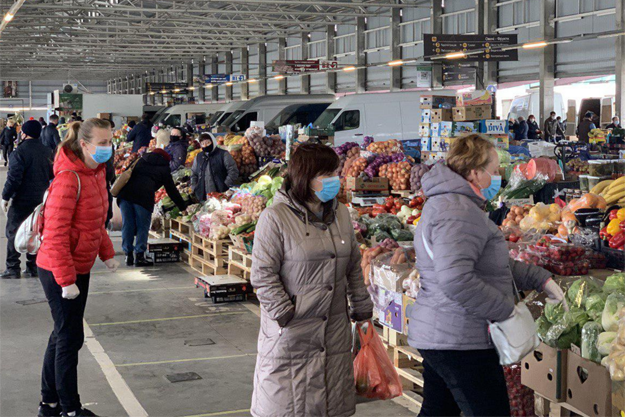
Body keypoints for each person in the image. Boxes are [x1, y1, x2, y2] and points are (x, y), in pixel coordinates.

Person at [410, 134, 566, 417]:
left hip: (445, 331)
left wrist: (539, 278)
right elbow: (456, 279)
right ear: (475, 172)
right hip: (460, 338)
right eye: (494, 172)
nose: (498, 178)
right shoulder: (457, 211)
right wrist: (507, 311)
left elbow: (488, 264)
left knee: (438, 411)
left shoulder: (455, 204)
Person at [250, 143, 373, 417]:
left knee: (331, 404)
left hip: (335, 330)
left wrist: (362, 309)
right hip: (293, 331)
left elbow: (353, 265)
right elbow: (262, 275)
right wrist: (285, 314)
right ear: (306, 176)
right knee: (290, 406)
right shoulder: (275, 218)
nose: (334, 179)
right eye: (326, 173)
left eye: (335, 172)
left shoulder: (340, 213)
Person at [36, 118, 120, 417]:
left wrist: (106, 252)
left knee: (62, 335)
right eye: (103, 143)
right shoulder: (69, 178)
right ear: (84, 144)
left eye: (110, 142)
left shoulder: (96, 173)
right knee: (70, 339)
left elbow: (94, 222)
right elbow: (55, 234)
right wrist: (66, 279)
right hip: (59, 268)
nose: (108, 148)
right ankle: (69, 410)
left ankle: (49, 403)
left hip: (78, 266)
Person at [1, 120, 53, 279]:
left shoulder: (19, 152)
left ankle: (13, 268)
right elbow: (52, 175)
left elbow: (14, 179)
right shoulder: (48, 151)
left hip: (22, 200)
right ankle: (33, 267)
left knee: (13, 232)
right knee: (36, 231)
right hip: (41, 200)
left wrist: (5, 197)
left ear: (25, 133)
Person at [117, 148, 187, 267]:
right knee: (142, 227)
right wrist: (182, 207)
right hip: (143, 198)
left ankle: (128, 255)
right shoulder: (164, 168)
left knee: (127, 225)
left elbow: (126, 174)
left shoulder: (140, 160)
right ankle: (139, 256)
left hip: (126, 195)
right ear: (166, 159)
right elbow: (171, 190)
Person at [191, 133, 238, 202]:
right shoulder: (198, 157)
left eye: (208, 142)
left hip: (221, 194)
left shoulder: (223, 154)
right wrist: (194, 187)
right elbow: (194, 173)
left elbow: (233, 171)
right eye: (202, 143)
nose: (205, 145)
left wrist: (225, 185)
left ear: (213, 142)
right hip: (203, 195)